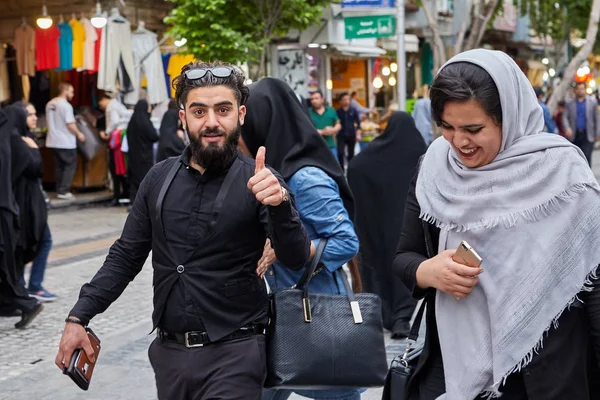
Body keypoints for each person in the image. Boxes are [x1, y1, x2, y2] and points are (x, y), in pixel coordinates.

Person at [55, 61, 311, 399]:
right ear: (182, 117)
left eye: (223, 110)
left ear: (241, 114)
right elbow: (126, 255)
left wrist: (280, 206)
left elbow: (295, 258)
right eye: (199, 111)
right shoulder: (158, 178)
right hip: (169, 355)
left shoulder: (261, 179)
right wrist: (78, 316)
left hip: (236, 351)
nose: (212, 122)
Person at [394, 49, 600, 399]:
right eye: (447, 127)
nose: (459, 142)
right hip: (451, 375)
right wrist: (428, 272)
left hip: (544, 379)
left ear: (510, 117)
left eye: (473, 129)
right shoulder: (434, 170)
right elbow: (404, 257)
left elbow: (594, 290)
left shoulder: (565, 177)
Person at [241, 77, 360, 400]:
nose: (238, 139)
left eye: (243, 127)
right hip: (283, 313)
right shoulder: (270, 174)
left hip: (317, 311)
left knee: (336, 390)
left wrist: (287, 248)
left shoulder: (305, 178)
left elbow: (346, 241)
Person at [347, 112, 426, 339]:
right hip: (409, 226)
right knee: (407, 266)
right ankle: (402, 317)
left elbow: (355, 167)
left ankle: (383, 313)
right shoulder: (420, 152)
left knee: (381, 265)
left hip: (379, 223)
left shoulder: (375, 153)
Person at [0, 107, 44, 328]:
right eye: (30, 114)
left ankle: (26, 302)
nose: (34, 118)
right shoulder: (11, 137)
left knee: (6, 264)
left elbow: (32, 167)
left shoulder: (11, 139)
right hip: (12, 205)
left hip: (12, 207)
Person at [14, 102, 56, 302]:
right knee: (37, 241)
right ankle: (31, 286)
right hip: (25, 204)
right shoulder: (19, 141)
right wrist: (33, 150)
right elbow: (35, 169)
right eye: (29, 114)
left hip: (33, 202)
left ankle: (28, 285)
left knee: (37, 241)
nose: (33, 117)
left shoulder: (24, 138)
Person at [45, 82, 86, 200]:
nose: (72, 95)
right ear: (65, 91)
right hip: (65, 141)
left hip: (53, 140)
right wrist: (79, 134)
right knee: (69, 165)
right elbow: (70, 123)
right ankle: (64, 190)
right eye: (71, 91)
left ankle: (60, 189)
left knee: (59, 166)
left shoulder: (50, 104)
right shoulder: (66, 106)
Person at [98, 93, 131, 206]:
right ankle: (124, 193)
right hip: (122, 138)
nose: (100, 105)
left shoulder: (111, 107)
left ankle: (118, 195)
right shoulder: (118, 105)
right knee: (121, 166)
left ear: (104, 99)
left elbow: (114, 122)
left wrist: (106, 133)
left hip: (116, 138)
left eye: (100, 102)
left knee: (116, 167)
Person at [126, 99, 159, 203]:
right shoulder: (145, 120)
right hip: (144, 156)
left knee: (134, 179)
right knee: (144, 179)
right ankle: (144, 203)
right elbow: (154, 136)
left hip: (133, 155)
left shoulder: (132, 121)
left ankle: (133, 202)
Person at [563, 81, 600, 165]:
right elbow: (564, 117)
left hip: (588, 135)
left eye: (582, 89)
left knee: (587, 157)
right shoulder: (569, 103)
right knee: (575, 159)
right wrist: (567, 127)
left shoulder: (592, 102)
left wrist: (598, 133)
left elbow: (597, 119)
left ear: (585, 90)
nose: (580, 91)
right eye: (578, 89)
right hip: (574, 135)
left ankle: (587, 177)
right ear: (575, 90)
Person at [308, 89, 340, 156]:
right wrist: (322, 132)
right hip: (314, 147)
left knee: (334, 166)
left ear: (322, 99)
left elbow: (338, 124)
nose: (314, 101)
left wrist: (333, 129)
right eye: (312, 99)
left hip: (330, 145)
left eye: (316, 98)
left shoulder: (331, 110)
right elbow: (306, 128)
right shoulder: (307, 112)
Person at [336, 93, 361, 169]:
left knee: (351, 154)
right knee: (340, 152)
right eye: (344, 100)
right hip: (341, 134)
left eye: (348, 99)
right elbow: (335, 123)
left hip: (351, 134)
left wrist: (358, 134)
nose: (346, 101)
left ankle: (351, 169)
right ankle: (341, 169)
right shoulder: (338, 112)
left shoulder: (353, 111)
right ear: (340, 101)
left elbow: (358, 123)